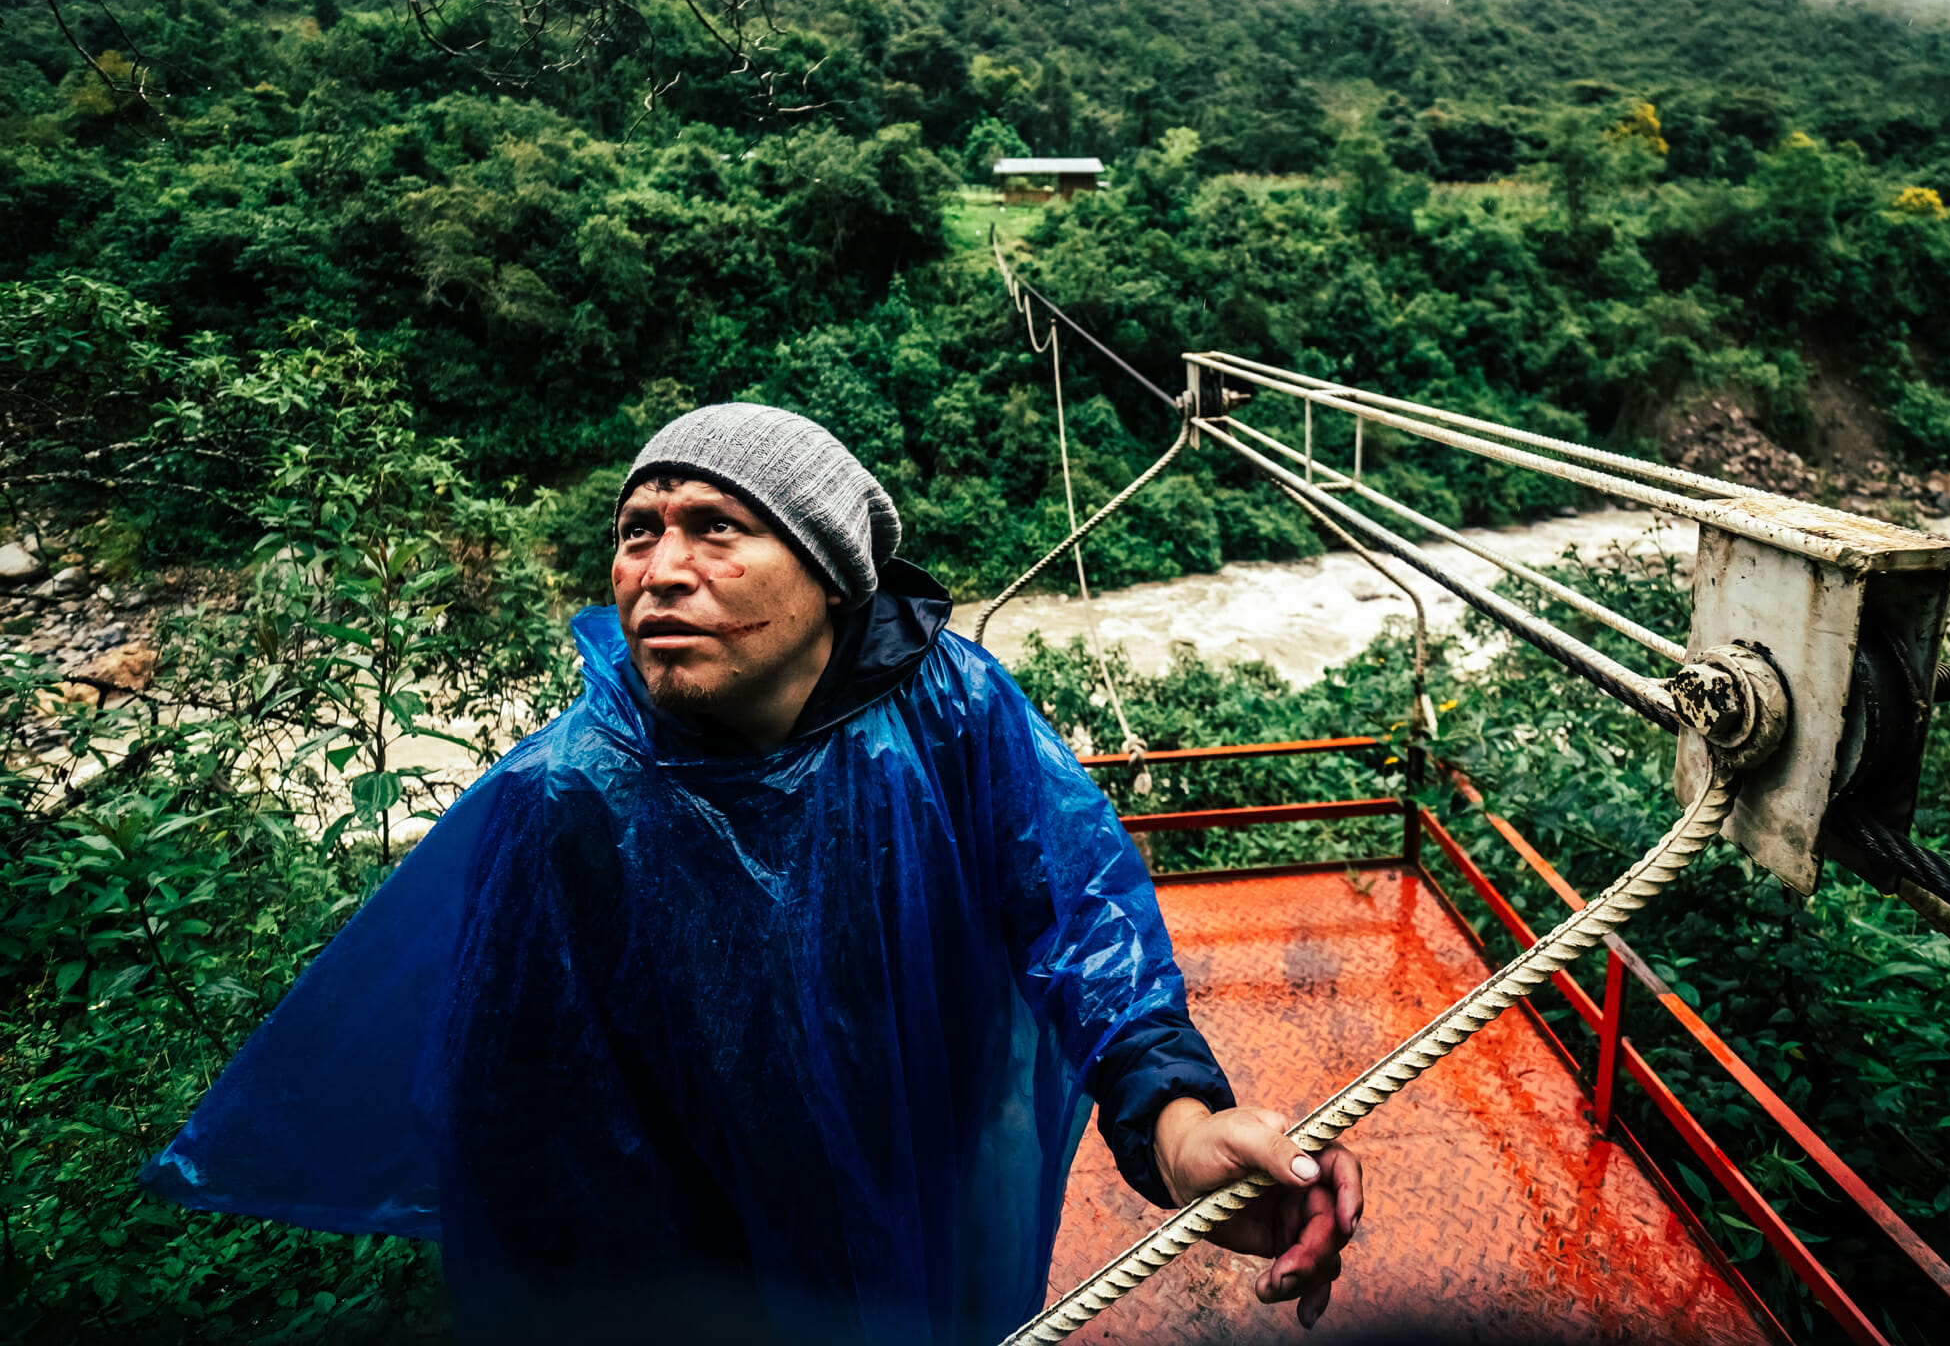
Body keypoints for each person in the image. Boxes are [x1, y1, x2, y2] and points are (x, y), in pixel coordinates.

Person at [143, 403, 1362, 1344]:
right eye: (637, 532)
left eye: (715, 528)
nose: (659, 569)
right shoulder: (565, 794)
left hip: (903, 1183)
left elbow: (1079, 911)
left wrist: (1178, 1120)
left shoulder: (951, 716)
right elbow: (500, 1106)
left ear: (831, 575)